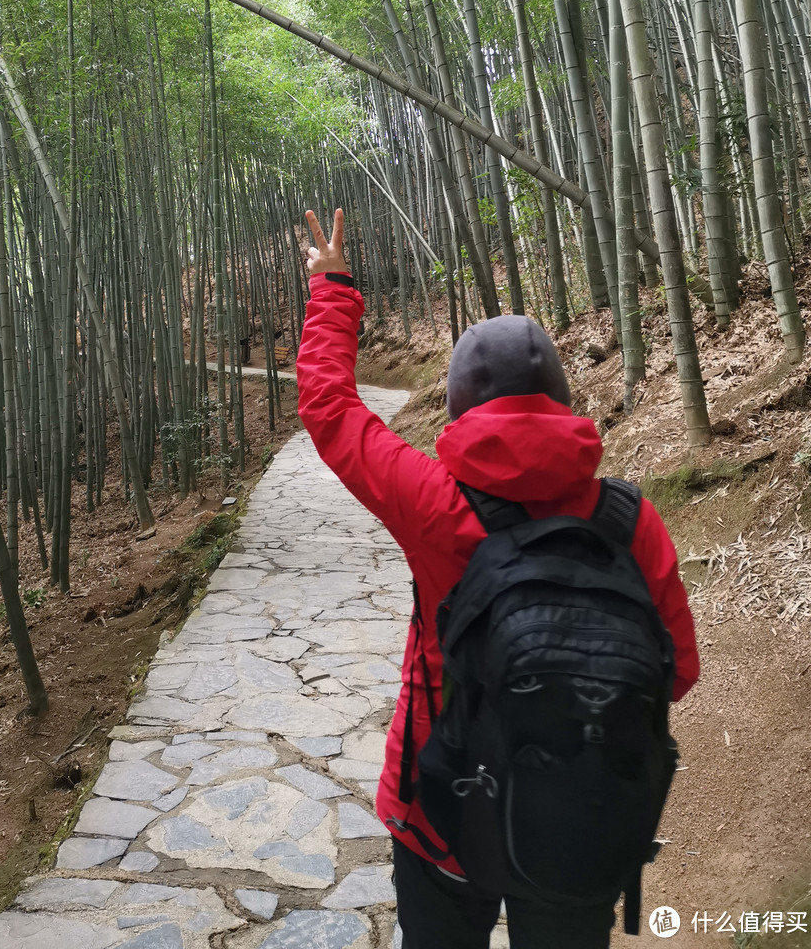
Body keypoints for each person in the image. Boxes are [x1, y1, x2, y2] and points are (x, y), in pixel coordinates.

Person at [296, 208, 700, 949]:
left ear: (455, 403)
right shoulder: (629, 520)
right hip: (583, 820)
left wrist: (333, 288)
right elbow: (677, 672)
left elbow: (330, 410)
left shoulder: (433, 502)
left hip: (441, 806)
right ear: (563, 399)